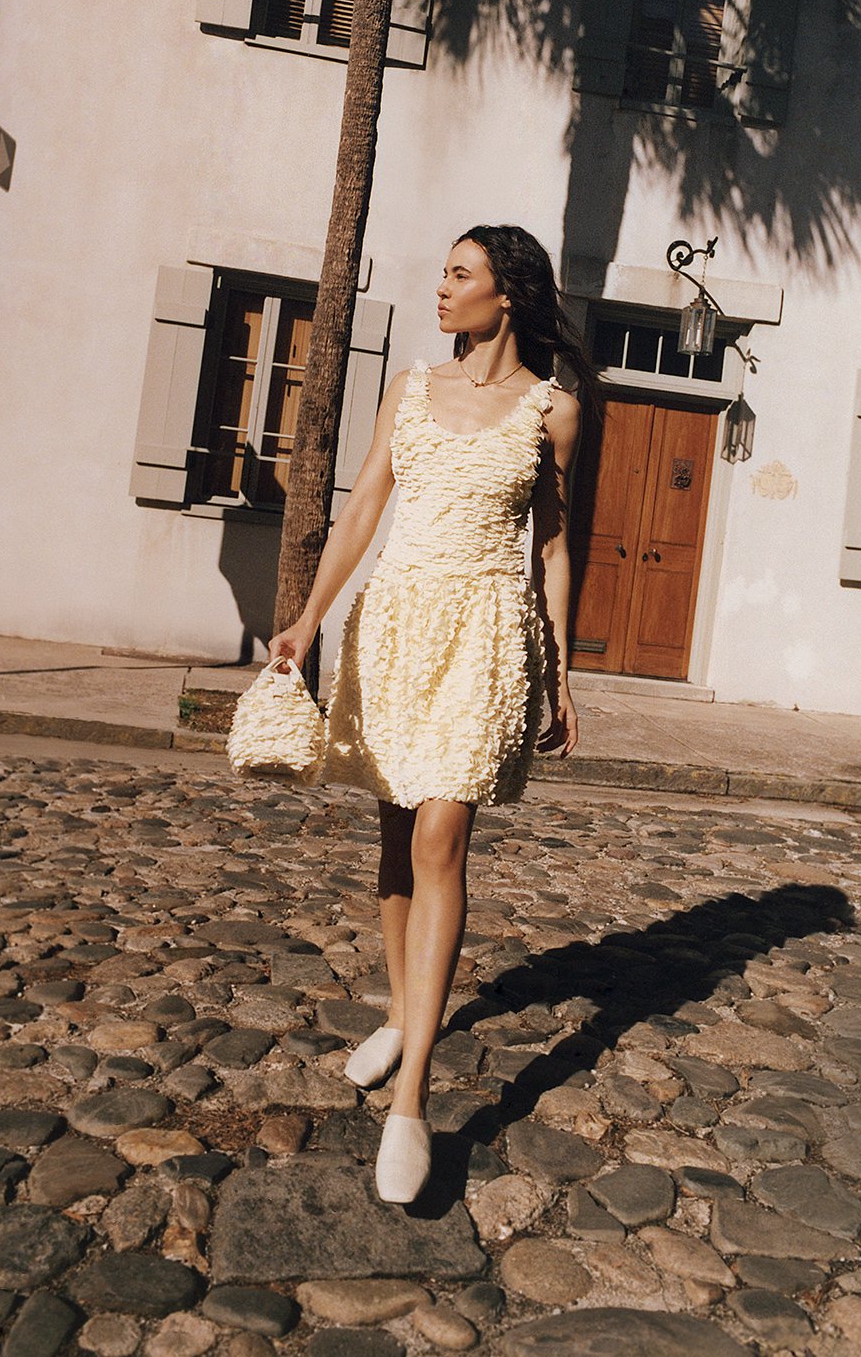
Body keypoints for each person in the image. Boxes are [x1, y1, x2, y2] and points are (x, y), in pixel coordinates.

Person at [268, 223, 599, 1204]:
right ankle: (409, 1010)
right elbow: (364, 505)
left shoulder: (554, 412)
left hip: (487, 637)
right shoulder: (410, 389)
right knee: (395, 830)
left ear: (509, 296)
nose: (442, 288)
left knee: (442, 836)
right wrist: (307, 618)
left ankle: (412, 1097)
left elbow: (553, 548)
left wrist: (562, 673)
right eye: (444, 271)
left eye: (460, 274)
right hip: (399, 623)